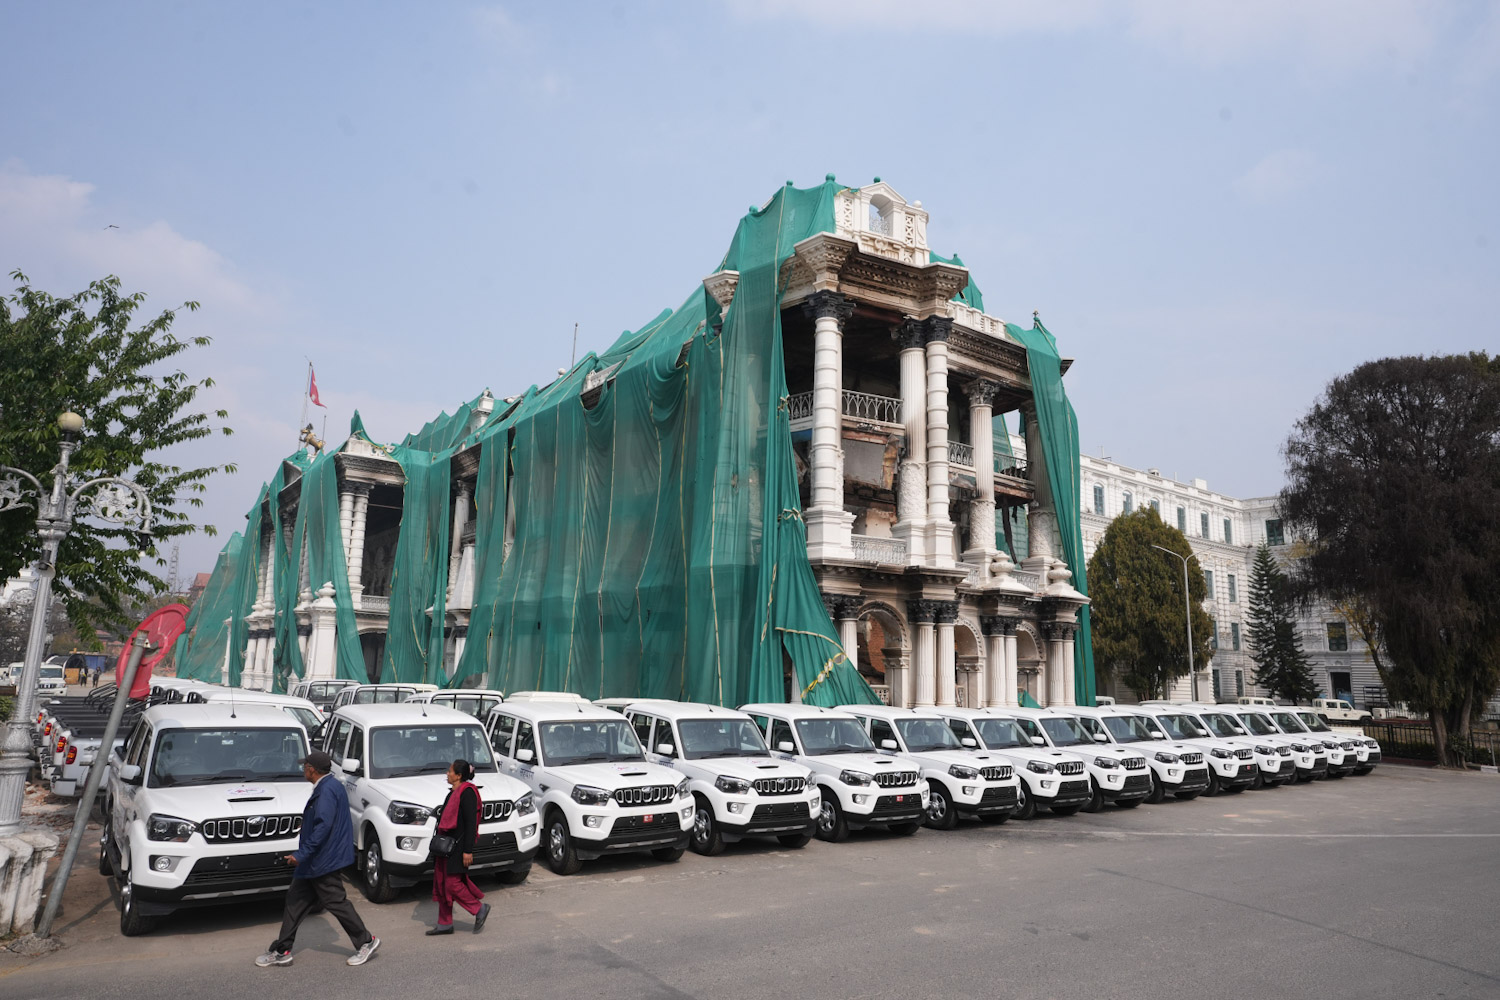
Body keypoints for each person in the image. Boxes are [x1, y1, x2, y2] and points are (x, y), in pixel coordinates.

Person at [255, 750, 380, 968]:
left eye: (305, 766)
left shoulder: (326, 791)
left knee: (336, 902)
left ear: (312, 770)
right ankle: (283, 950)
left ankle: (366, 941)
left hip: (322, 861)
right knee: (294, 902)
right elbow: (325, 820)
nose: (303, 769)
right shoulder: (331, 785)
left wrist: (300, 855)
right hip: (317, 860)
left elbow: (324, 826)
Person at [426, 758, 491, 936]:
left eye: (450, 771)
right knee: (442, 882)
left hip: (458, 846)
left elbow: (471, 824)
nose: (447, 774)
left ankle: (479, 909)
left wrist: (468, 850)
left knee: (452, 884)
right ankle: (444, 923)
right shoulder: (452, 792)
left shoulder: (468, 793)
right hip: (446, 846)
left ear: (459, 775)